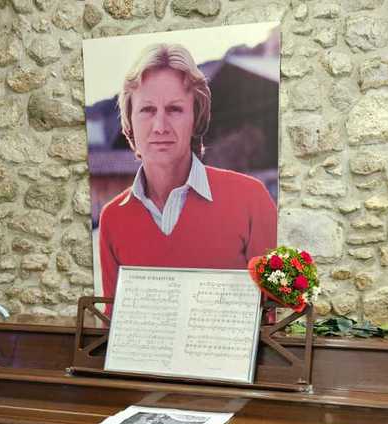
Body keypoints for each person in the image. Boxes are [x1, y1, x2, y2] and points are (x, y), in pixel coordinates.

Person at [97, 43, 278, 300]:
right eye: (147, 110)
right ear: (130, 121)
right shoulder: (112, 218)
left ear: (196, 118)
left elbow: (272, 312)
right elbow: (114, 314)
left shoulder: (251, 199)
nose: (160, 126)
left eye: (175, 109)